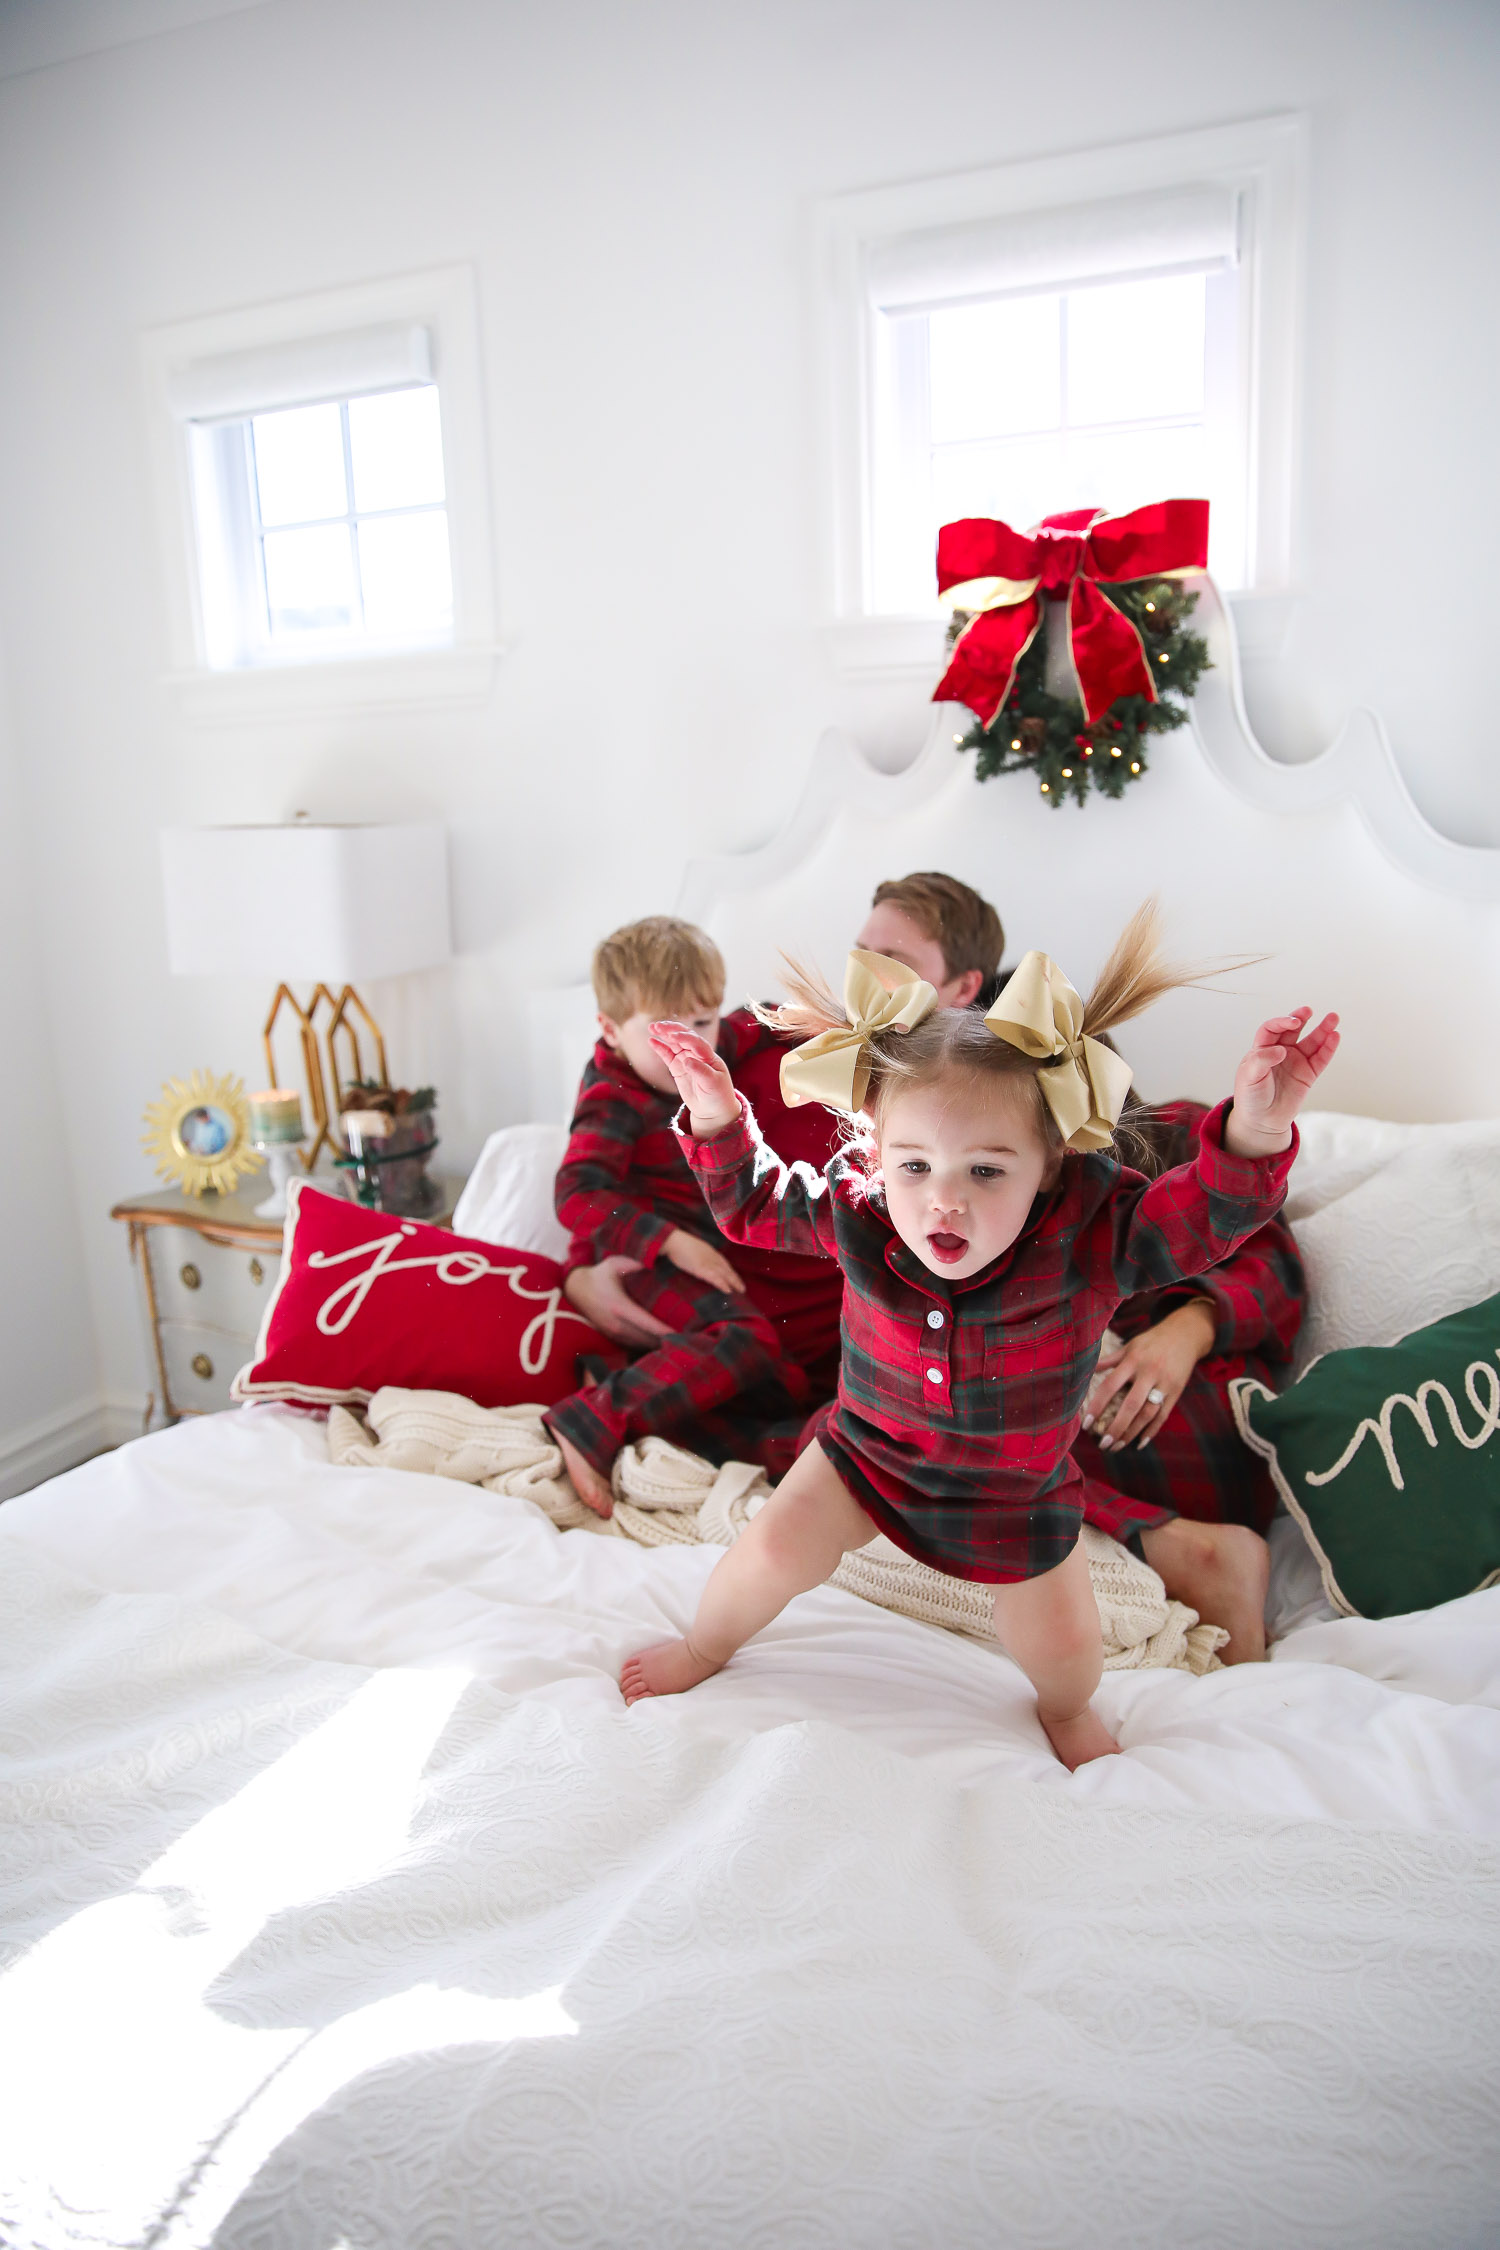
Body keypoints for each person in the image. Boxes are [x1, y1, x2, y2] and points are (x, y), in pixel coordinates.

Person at [622, 912, 1338, 1768]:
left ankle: (1067, 1715)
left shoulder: (1091, 1238)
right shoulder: (862, 1214)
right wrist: (714, 1114)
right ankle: (704, 1650)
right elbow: (752, 1203)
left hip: (1016, 1493)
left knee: (1065, 1650)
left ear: (1051, 1165)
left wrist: (1256, 1130)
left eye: (987, 1171)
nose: (943, 1202)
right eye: (914, 1166)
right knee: (767, 1551)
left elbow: (1204, 1220)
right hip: (866, 1457)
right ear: (878, 1154)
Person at [544, 915, 814, 1516]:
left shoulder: (705, 1048)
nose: (690, 1044)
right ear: (610, 1030)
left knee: (779, 1381)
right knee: (743, 1341)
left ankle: (632, 1399)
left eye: (700, 1022)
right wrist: (667, 1241)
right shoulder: (613, 1094)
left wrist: (810, 1022)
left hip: (688, 1256)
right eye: (667, 1030)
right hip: (635, 1253)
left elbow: (754, 1021)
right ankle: (592, 1419)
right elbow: (576, 1192)